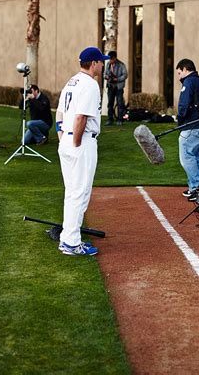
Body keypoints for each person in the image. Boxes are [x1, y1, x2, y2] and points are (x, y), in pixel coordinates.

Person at [55, 46, 109, 256]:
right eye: (100, 61)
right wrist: (76, 141)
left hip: (67, 141)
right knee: (80, 194)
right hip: (81, 142)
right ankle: (71, 243)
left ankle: (68, 238)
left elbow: (59, 113)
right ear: (94, 63)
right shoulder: (90, 84)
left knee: (72, 193)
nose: (102, 64)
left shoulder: (71, 82)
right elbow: (81, 117)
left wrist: (63, 137)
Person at [176, 58, 199, 200]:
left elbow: (183, 105)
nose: (179, 76)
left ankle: (196, 188)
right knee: (197, 158)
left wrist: (180, 119)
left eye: (179, 73)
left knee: (186, 158)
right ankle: (195, 187)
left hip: (191, 125)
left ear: (185, 69)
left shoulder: (188, 82)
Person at [104, 51, 128, 126]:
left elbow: (125, 75)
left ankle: (120, 119)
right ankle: (110, 119)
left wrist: (117, 79)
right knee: (110, 103)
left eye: (111, 59)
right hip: (110, 86)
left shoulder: (121, 65)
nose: (110, 61)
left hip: (118, 87)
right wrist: (107, 77)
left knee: (120, 103)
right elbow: (104, 74)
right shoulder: (108, 64)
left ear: (114, 58)